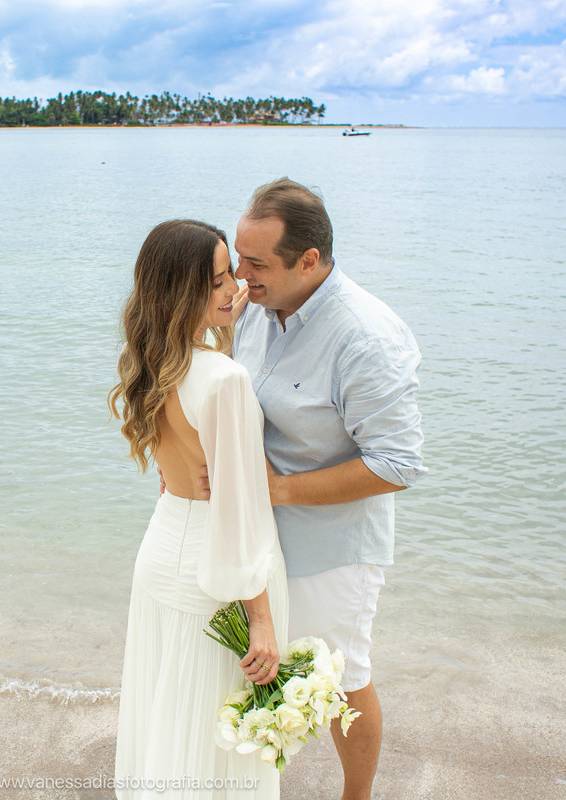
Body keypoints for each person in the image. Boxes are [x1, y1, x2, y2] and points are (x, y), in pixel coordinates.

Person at [231, 178, 427, 800]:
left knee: (341, 676)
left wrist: (278, 491)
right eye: (239, 257)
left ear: (308, 261)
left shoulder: (365, 337)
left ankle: (357, 797)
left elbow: (397, 464)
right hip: (258, 538)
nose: (241, 274)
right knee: (256, 669)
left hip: (334, 548)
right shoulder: (256, 309)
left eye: (256, 263)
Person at [110, 219, 289, 800]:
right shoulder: (225, 380)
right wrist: (259, 618)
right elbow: (237, 514)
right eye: (218, 280)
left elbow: (184, 454)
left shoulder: (150, 362)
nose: (235, 284)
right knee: (215, 749)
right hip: (213, 578)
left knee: (170, 727)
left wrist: (222, 332)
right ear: (183, 292)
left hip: (162, 557)